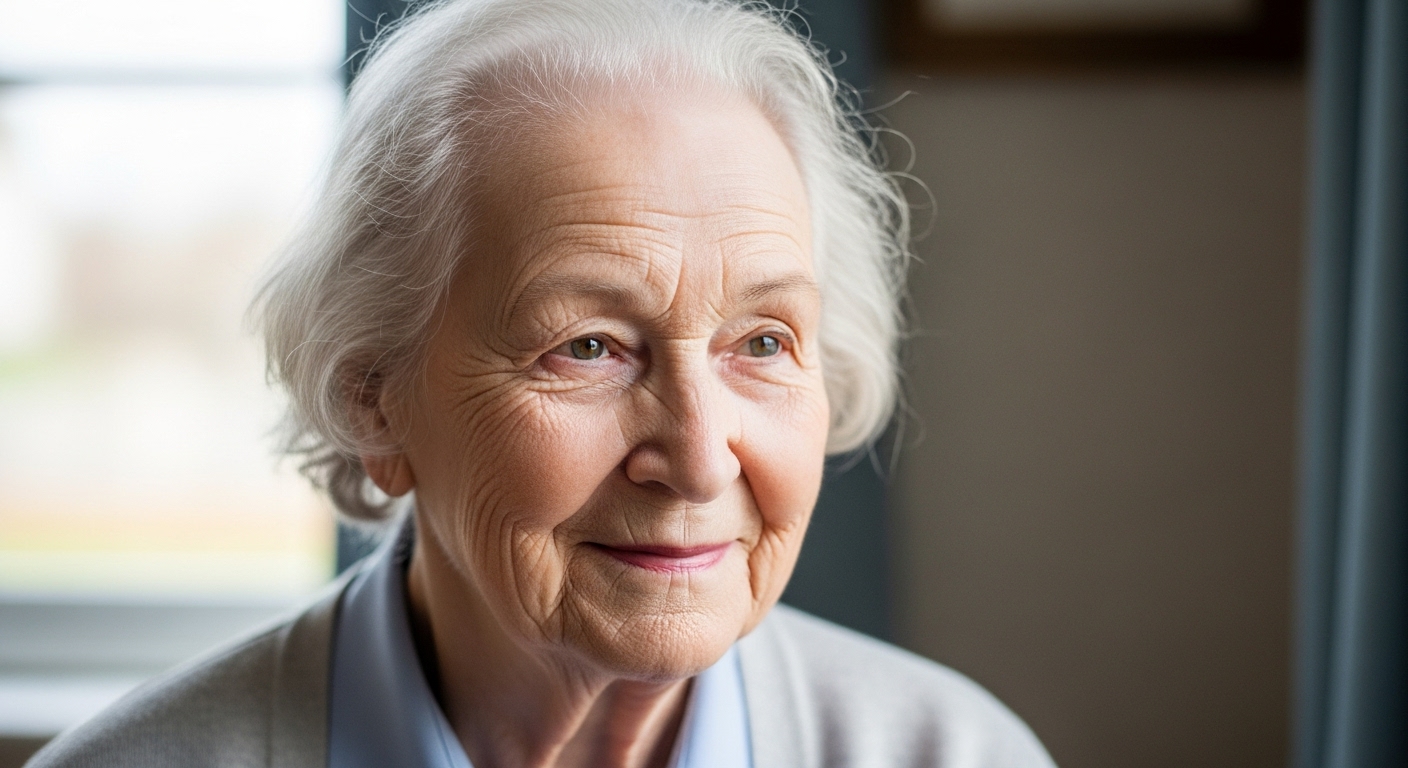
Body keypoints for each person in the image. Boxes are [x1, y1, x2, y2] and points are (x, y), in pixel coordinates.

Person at [28, 1, 1055, 766]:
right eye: (589, 347)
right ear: (372, 397)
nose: (698, 460)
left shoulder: (952, 752)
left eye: (764, 342)